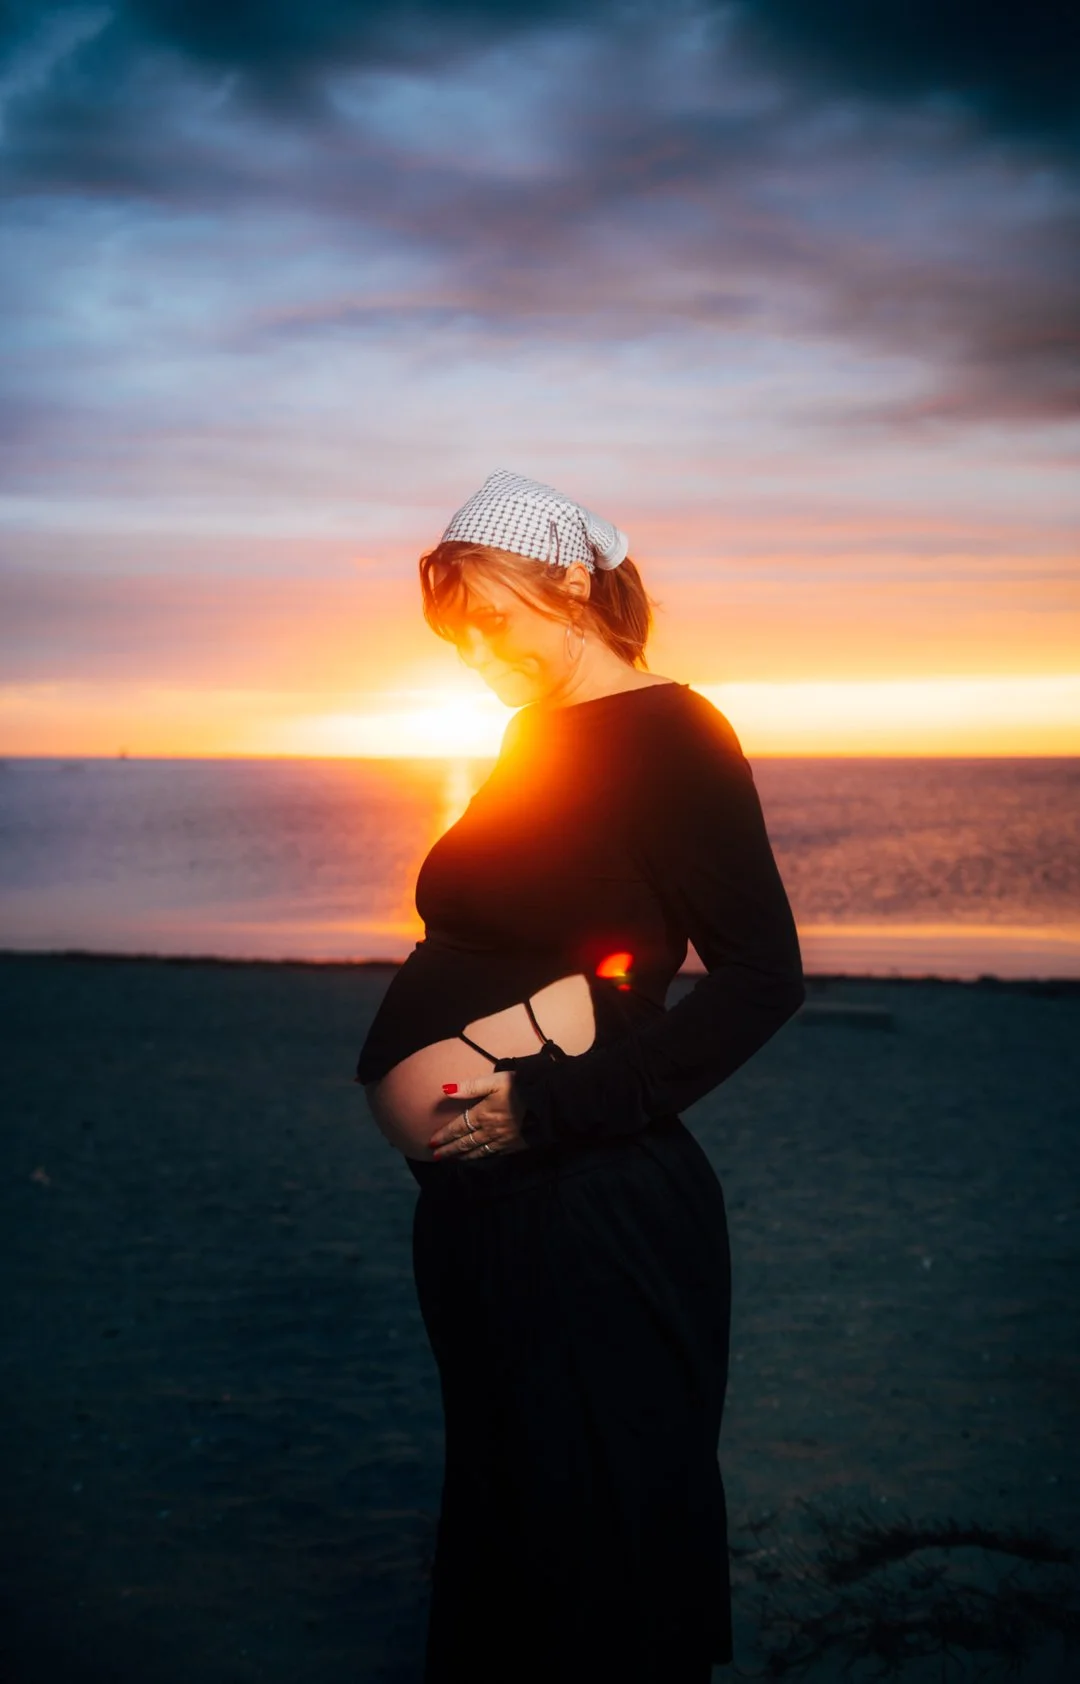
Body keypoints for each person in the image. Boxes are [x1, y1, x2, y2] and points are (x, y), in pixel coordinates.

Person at [354, 468, 806, 1684]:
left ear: (565, 578)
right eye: (454, 637)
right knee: (510, 1518)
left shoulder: (675, 733)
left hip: (590, 1203)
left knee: (596, 1540)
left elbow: (764, 978)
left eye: (488, 621)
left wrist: (544, 1106)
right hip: (483, 1211)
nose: (474, 652)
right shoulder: (532, 732)